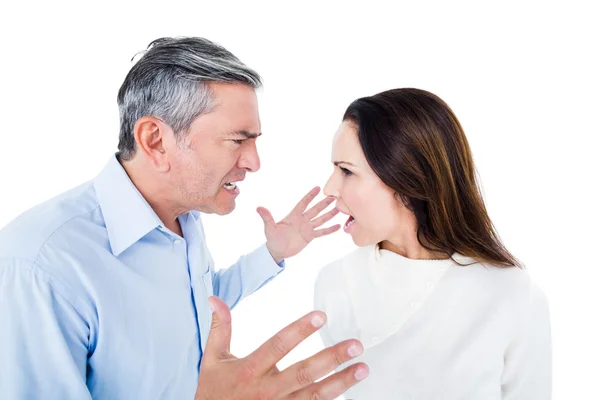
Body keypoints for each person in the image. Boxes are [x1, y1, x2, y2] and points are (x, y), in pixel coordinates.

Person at [0, 37, 368, 399]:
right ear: (156, 141)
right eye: (238, 140)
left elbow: (197, 301)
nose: (254, 162)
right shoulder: (42, 266)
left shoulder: (182, 220)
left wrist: (272, 253)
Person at [315, 88, 551, 399]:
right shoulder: (335, 285)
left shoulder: (511, 294)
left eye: (346, 171)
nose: (329, 188)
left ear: (406, 180)